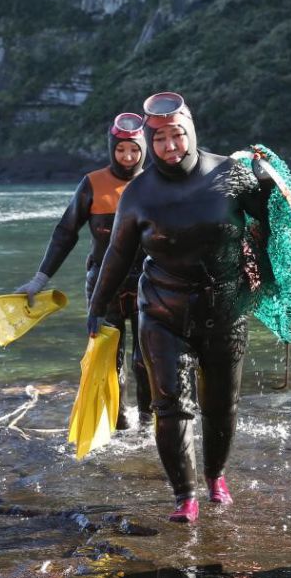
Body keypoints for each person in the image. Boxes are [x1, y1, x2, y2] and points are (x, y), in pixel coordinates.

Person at [87, 92, 275, 524]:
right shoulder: (139, 193)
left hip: (226, 308)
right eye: (160, 140)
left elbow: (273, 224)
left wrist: (269, 180)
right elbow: (116, 256)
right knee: (171, 405)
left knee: (221, 404)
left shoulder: (232, 174)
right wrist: (96, 310)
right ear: (149, 144)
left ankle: (216, 477)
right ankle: (184, 495)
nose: (171, 147)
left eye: (177, 135)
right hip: (163, 310)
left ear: (190, 130)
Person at [16, 113, 152, 429]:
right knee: (109, 360)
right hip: (105, 288)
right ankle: (118, 424)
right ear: (111, 149)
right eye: (121, 150)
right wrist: (40, 279)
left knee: (146, 361)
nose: (128, 157)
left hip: (150, 285)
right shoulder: (92, 184)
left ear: (144, 149)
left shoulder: (154, 182)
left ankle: (148, 424)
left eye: (134, 150)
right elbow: (66, 232)